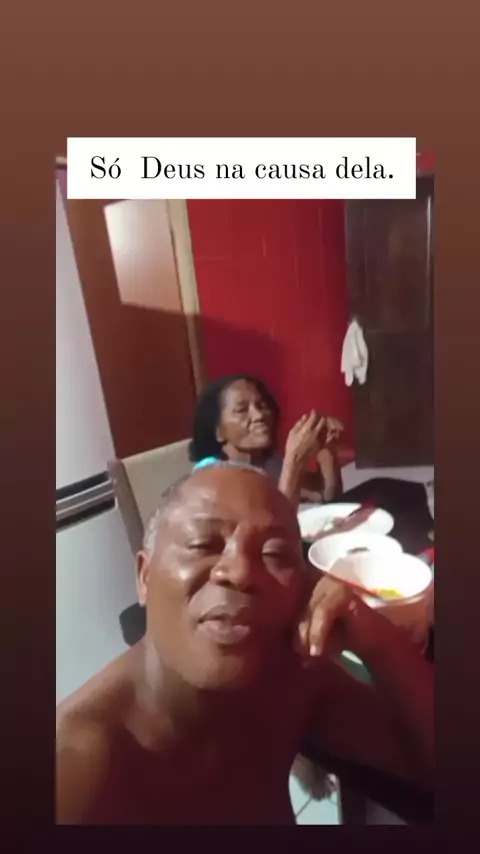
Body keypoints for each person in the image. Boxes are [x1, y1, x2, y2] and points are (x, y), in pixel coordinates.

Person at [57, 463, 433, 825]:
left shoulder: (286, 680)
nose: (239, 572)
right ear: (144, 576)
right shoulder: (78, 770)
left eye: (274, 554)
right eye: (203, 544)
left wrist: (377, 636)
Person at [189, 374, 345, 507]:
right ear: (218, 431)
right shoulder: (211, 475)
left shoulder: (268, 463)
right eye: (241, 410)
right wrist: (293, 461)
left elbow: (328, 495)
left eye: (262, 405)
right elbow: (272, 527)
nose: (259, 415)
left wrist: (326, 447)